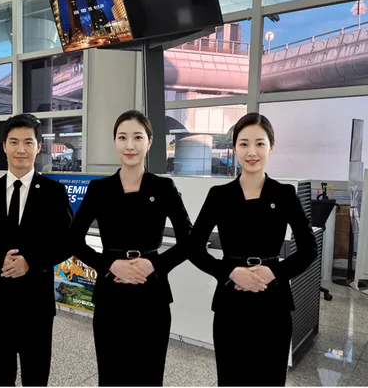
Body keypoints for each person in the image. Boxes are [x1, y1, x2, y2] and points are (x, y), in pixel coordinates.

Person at [187, 113, 318, 387]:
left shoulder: (284, 194)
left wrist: (274, 272)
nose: (252, 152)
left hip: (273, 302)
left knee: (270, 379)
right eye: (244, 144)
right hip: (230, 302)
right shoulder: (219, 195)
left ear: (271, 146)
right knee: (230, 378)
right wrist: (230, 272)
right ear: (234, 147)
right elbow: (193, 248)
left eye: (260, 144)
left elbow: (308, 250)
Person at [69, 110, 193, 386]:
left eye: (138, 137)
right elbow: (73, 239)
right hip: (110, 293)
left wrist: (154, 265)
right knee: (111, 374)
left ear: (150, 142)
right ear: (115, 141)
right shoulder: (100, 189)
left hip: (152, 293)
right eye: (122, 137)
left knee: (149, 375)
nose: (130, 145)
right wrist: (110, 264)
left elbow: (189, 241)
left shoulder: (163, 187)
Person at [0, 113, 73, 387]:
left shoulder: (54, 193)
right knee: (0, 377)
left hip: (37, 304)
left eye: (28, 142)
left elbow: (68, 242)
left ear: (38, 146)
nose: (21, 149)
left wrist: (30, 261)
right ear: (4, 146)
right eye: (14, 142)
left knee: (36, 377)